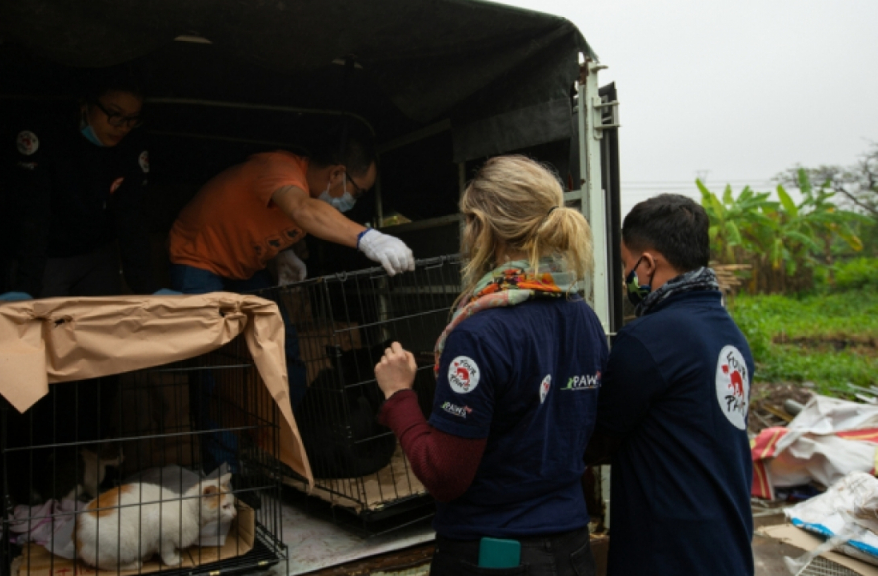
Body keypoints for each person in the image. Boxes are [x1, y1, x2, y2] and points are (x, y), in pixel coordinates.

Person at [374, 156, 606, 576]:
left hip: (494, 556)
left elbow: (445, 476)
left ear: (482, 227)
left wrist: (399, 396)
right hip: (571, 552)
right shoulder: (583, 316)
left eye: (467, 221)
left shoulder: (480, 333)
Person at [167, 120, 415, 408]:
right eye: (357, 192)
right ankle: (223, 453)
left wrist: (282, 254)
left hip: (244, 268)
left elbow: (272, 220)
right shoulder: (279, 168)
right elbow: (300, 209)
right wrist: (368, 237)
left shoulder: (313, 197)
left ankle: (297, 436)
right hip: (197, 256)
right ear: (337, 174)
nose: (355, 201)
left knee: (283, 342)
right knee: (216, 356)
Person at [585, 194, 754, 576]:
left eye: (628, 265)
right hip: (727, 549)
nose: (627, 277)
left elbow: (594, 440)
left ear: (647, 264)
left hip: (668, 556)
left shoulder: (648, 340)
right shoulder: (731, 337)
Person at [0, 68, 155, 307]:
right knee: (47, 328)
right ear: (86, 105)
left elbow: (131, 216)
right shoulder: (48, 137)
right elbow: (33, 216)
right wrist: (25, 285)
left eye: (132, 118)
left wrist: (148, 286)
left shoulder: (131, 146)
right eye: (115, 115)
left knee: (103, 326)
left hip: (97, 254)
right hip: (48, 255)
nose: (123, 126)